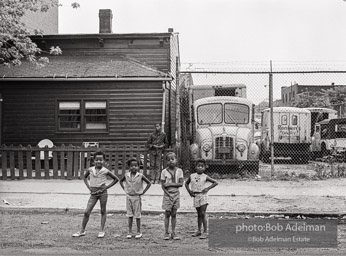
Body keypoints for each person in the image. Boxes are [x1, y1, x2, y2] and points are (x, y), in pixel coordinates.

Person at [72, 151, 119, 238]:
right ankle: (82, 230)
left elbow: (116, 179)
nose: (98, 161)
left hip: (103, 193)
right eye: (97, 159)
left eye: (101, 160)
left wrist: (106, 187)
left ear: (104, 161)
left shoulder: (105, 170)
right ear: (94, 161)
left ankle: (101, 230)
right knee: (86, 212)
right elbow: (85, 177)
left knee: (103, 210)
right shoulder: (90, 170)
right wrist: (89, 187)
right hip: (93, 193)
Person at [185, 158, 218, 239]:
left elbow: (215, 182)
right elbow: (186, 183)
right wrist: (189, 191)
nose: (200, 168)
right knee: (199, 214)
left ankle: (205, 231)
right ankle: (199, 230)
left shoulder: (205, 176)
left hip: (203, 196)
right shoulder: (192, 176)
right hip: (195, 196)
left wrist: (207, 188)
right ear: (195, 167)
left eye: (202, 166)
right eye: (198, 166)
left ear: (205, 167)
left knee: (203, 213)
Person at [119, 157, 151, 239]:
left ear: (138, 167)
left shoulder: (140, 176)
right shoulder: (126, 175)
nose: (134, 167)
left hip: (137, 197)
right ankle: (129, 231)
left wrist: (143, 192)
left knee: (137, 215)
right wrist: (125, 189)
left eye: (136, 166)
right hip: (129, 197)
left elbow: (149, 183)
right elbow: (120, 181)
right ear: (129, 167)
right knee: (129, 215)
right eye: (132, 166)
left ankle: (138, 231)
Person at [160, 152, 184, 240]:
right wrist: (168, 193)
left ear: (176, 160)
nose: (171, 161)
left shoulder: (179, 171)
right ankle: (166, 232)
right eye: (169, 160)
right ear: (166, 162)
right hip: (167, 195)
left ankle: (173, 232)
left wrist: (169, 184)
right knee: (167, 213)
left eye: (172, 159)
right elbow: (163, 185)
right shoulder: (164, 172)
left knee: (174, 214)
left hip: (176, 194)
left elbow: (181, 184)